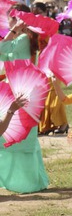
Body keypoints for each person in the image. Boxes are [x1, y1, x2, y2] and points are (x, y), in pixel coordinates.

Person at [0, 14, 50, 194]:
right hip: (22, 87)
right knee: (22, 135)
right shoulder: (27, 38)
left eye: (11, 19)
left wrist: (13, 31)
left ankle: (24, 182)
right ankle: (25, 180)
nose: (9, 23)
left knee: (17, 135)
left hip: (21, 90)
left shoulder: (22, 38)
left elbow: (1, 49)